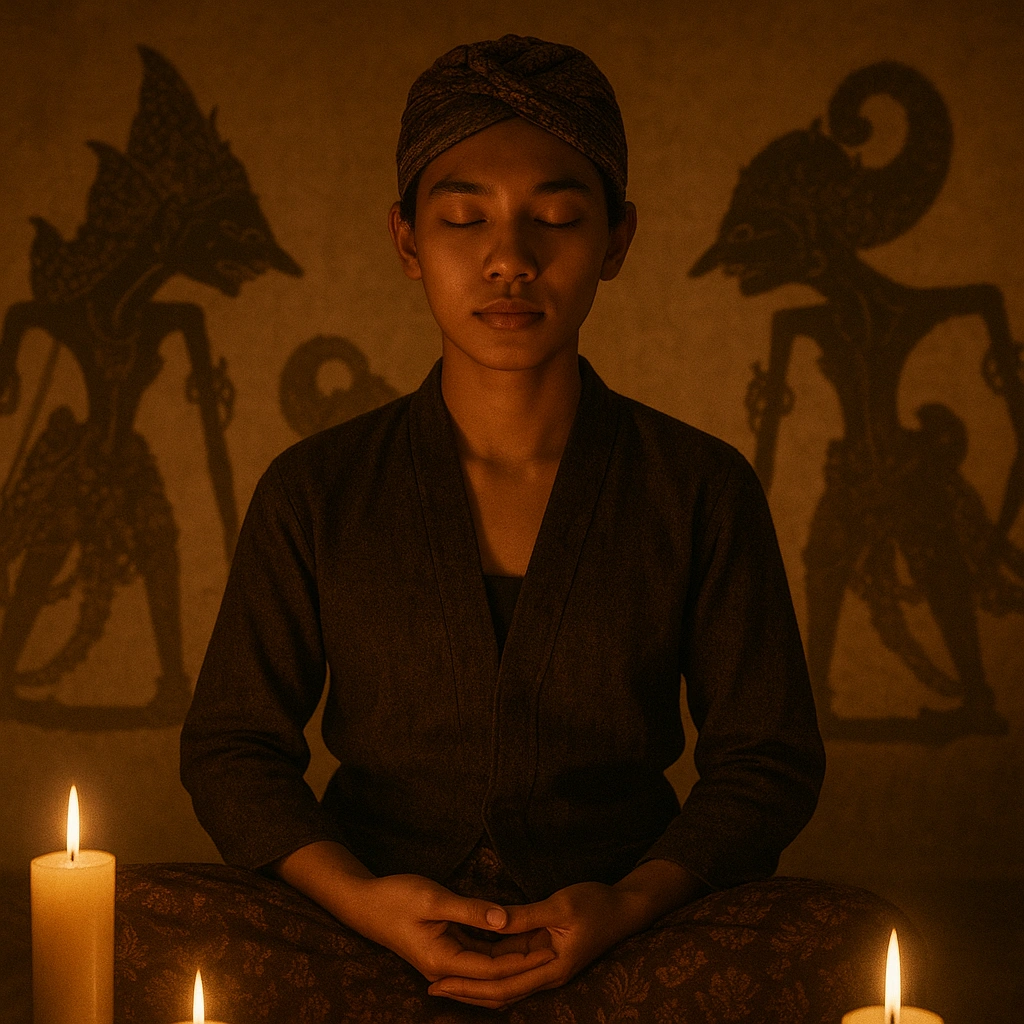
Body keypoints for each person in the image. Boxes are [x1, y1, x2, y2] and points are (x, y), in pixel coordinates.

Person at [175, 34, 909, 1021]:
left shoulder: (697, 485)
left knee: (841, 937)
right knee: (136, 919)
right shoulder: (316, 487)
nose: (508, 259)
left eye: (555, 217)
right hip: (371, 938)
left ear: (615, 238)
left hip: (619, 939)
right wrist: (365, 902)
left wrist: (622, 905)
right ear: (406, 242)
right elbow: (233, 745)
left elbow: (764, 757)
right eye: (463, 218)